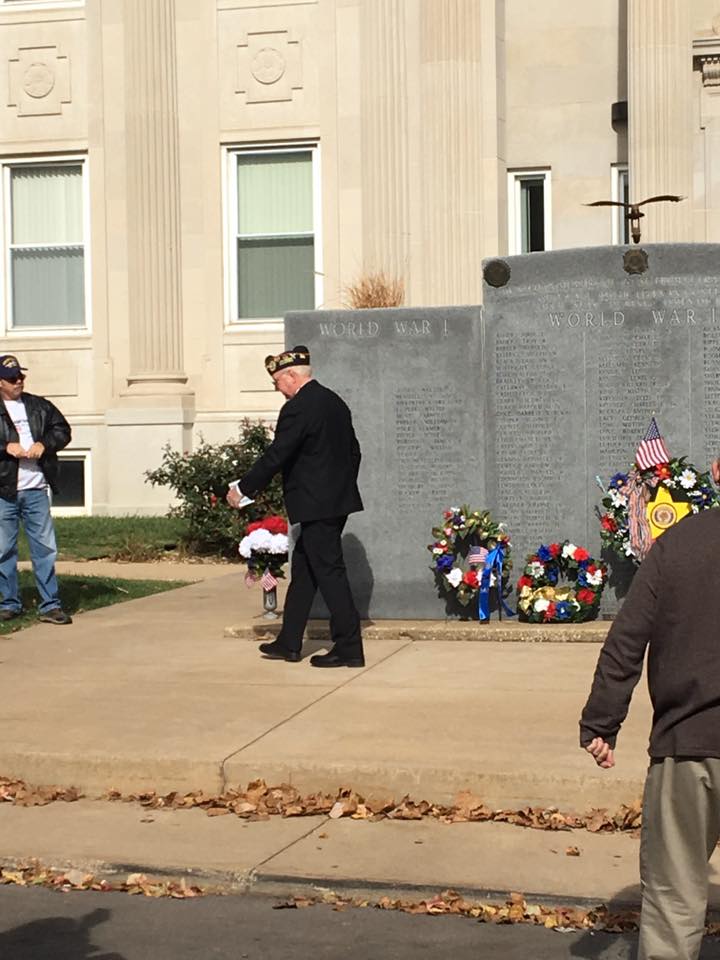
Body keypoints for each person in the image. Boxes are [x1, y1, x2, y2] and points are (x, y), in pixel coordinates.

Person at [579, 505, 720, 960]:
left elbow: (627, 638)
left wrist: (602, 721)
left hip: (688, 746)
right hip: (686, 740)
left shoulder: (678, 545)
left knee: (674, 899)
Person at [227, 345, 365, 668]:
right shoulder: (334, 402)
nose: (277, 389)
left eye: (277, 382)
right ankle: (290, 641)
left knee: (330, 574)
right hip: (335, 502)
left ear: (291, 375)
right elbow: (354, 452)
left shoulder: (298, 408)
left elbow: (278, 454)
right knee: (304, 570)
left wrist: (243, 489)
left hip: (316, 505)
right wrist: (339, 489)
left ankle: (349, 647)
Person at [0, 355, 72, 625]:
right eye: (11, 378)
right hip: (3, 490)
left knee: (44, 548)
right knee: (4, 550)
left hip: (35, 490)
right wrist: (5, 447)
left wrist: (45, 443)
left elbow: (62, 430)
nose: (18, 381)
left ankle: (50, 605)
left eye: (21, 376)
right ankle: (9, 603)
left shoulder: (38, 406)